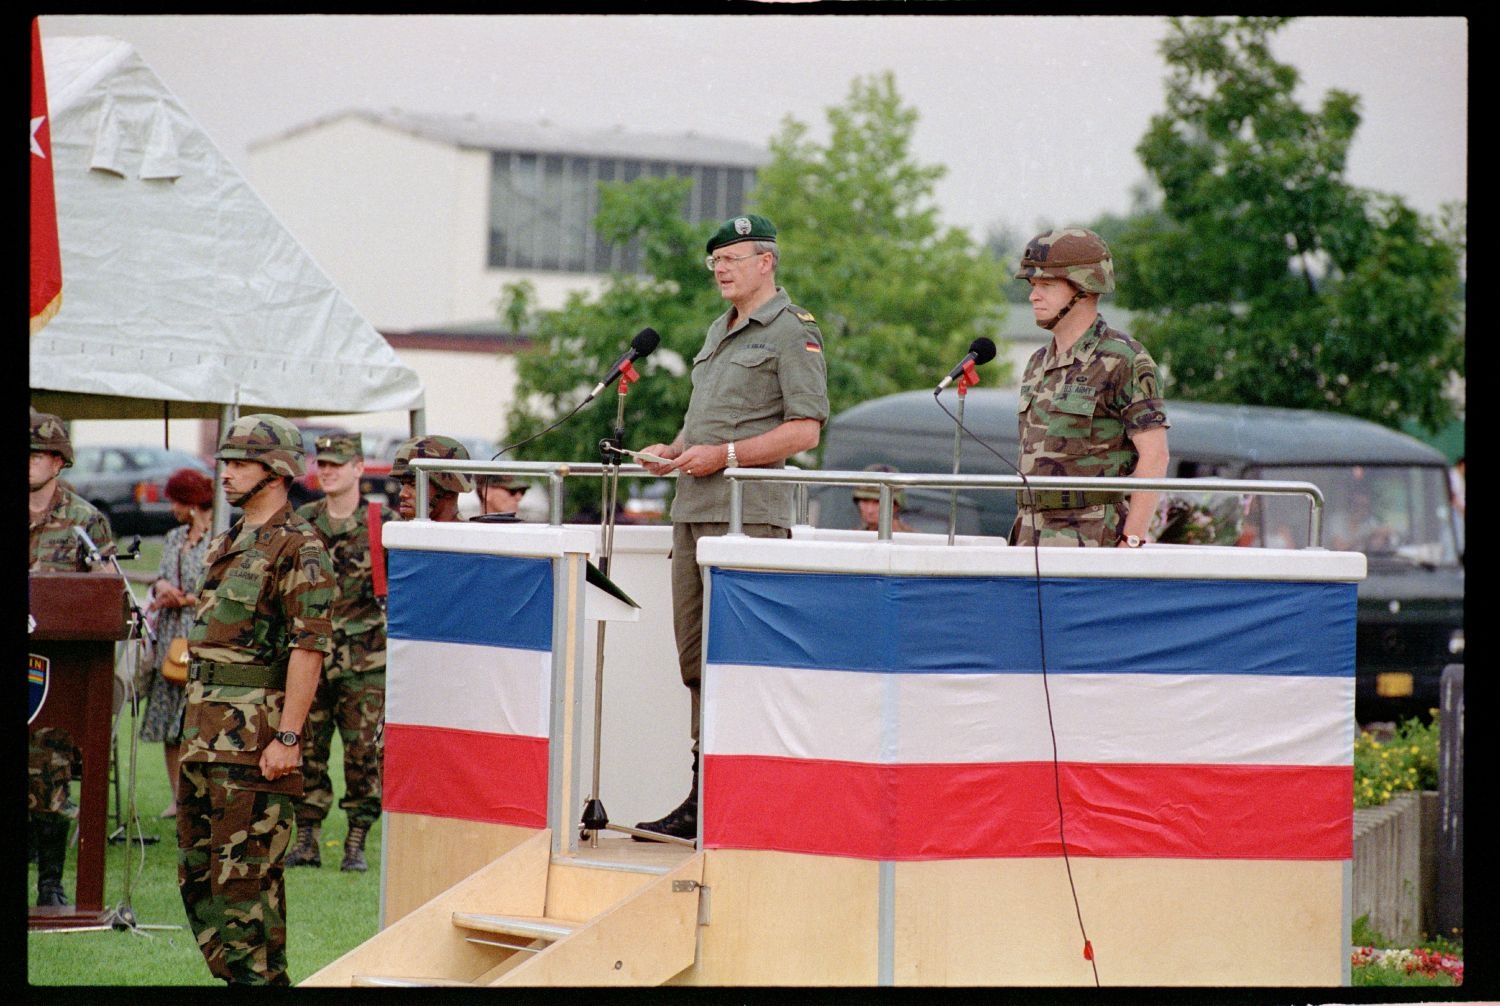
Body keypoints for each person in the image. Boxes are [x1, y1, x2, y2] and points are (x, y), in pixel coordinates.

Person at [633, 213, 829, 842]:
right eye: (715, 259)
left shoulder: (792, 332)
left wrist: (730, 456)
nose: (720, 268)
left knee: (739, 660)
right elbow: (708, 426)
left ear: (766, 261)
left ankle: (740, 797)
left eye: (733, 258)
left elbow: (805, 429)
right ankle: (704, 795)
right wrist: (675, 447)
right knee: (695, 658)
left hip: (748, 515)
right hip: (694, 510)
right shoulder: (721, 330)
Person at [177, 413, 334, 985]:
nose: (226, 473)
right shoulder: (229, 539)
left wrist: (288, 737)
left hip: (254, 747)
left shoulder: (301, 548)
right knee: (200, 882)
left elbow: (308, 648)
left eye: (242, 463)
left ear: (278, 471)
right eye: (227, 462)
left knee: (246, 887)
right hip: (204, 738)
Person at [1009, 228, 1170, 548]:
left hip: (1091, 539)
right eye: (1032, 285)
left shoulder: (1124, 359)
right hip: (1030, 536)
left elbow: (1155, 456)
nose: (1033, 295)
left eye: (1046, 285)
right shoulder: (1038, 362)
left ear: (1084, 289)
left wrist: (1133, 538)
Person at [285, 434, 399, 872]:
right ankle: (308, 839)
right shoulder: (303, 522)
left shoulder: (381, 522)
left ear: (358, 468)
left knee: (362, 755)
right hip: (310, 655)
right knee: (306, 748)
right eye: (322, 463)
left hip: (364, 661)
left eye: (337, 463)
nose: (327, 470)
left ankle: (356, 841)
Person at [28, 409, 115, 908]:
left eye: (37, 454)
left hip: (54, 677)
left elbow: (106, 597)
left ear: (59, 461)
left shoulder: (84, 521)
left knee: (49, 774)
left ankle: (50, 883)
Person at [140, 467, 216, 820]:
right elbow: (160, 576)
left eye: (175, 500)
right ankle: (177, 797)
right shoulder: (173, 538)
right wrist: (160, 589)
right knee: (171, 722)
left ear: (191, 502)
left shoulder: (220, 537)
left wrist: (184, 599)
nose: (172, 507)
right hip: (171, 637)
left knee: (197, 722)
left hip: (202, 633)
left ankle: (203, 797)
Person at [390, 434, 474, 523]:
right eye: (402, 484)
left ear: (449, 491)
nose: (402, 494)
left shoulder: (467, 535)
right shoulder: (404, 533)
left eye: (414, 485)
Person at [853, 463, 915, 533]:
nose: (870, 510)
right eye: (865, 501)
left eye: (878, 502)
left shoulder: (910, 540)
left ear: (896, 505)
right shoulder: (851, 537)